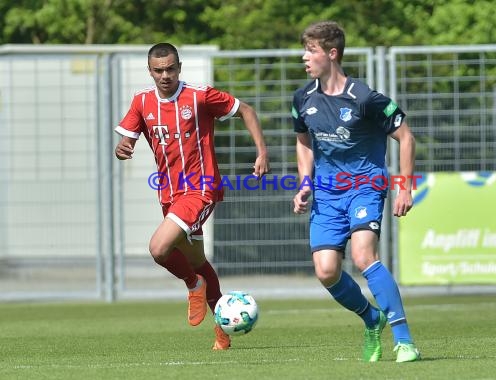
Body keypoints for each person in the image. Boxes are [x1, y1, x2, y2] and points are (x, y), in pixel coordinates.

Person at [114, 42, 269, 350]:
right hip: (169, 195)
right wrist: (123, 149)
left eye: (170, 68)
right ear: (150, 71)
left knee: (159, 249)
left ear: (179, 67)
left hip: (201, 188)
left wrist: (262, 152)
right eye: (158, 70)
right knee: (197, 260)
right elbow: (125, 142)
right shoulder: (142, 102)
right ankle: (222, 329)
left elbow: (246, 111)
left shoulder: (199, 95)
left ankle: (192, 285)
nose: (165, 75)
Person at [291, 21, 420, 363]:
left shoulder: (364, 98)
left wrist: (404, 188)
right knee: (326, 271)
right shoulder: (303, 98)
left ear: (332, 54)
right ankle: (371, 318)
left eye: (312, 51)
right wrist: (305, 182)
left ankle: (405, 341)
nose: (305, 57)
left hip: (365, 185)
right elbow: (303, 142)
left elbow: (406, 137)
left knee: (364, 257)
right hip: (327, 194)